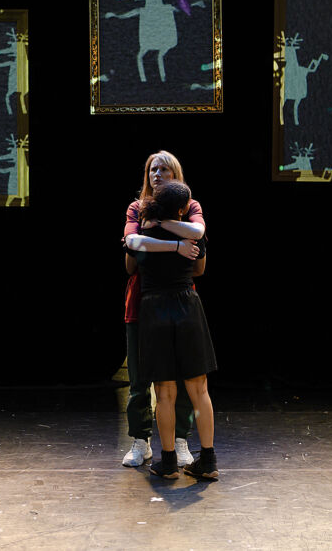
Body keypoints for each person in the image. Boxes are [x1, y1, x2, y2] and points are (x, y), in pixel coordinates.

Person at [126, 180, 218, 480]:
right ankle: (208, 460)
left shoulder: (144, 233)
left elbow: (131, 257)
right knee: (199, 388)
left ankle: (167, 462)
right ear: (182, 209)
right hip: (186, 305)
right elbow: (199, 268)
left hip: (154, 309)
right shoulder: (191, 235)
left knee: (164, 391)